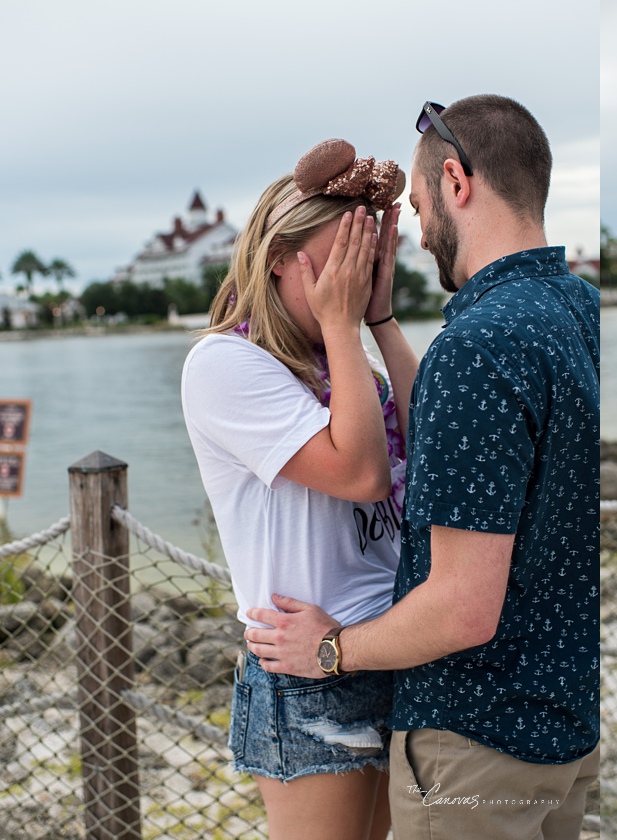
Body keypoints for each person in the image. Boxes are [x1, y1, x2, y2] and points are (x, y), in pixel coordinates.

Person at [244, 95, 600, 840]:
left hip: (476, 734)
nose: (415, 228)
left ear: (456, 181)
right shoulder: (580, 311)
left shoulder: (478, 343)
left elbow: (463, 607)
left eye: (418, 200)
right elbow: (447, 440)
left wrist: (332, 648)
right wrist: (374, 321)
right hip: (570, 725)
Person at [180, 138, 416, 840]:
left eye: (362, 255)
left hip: (386, 647)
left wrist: (376, 318)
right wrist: (345, 324)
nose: (350, 272)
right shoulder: (225, 362)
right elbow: (362, 473)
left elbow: (431, 449)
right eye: (335, 256)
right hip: (309, 676)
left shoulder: (346, 369)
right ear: (279, 259)